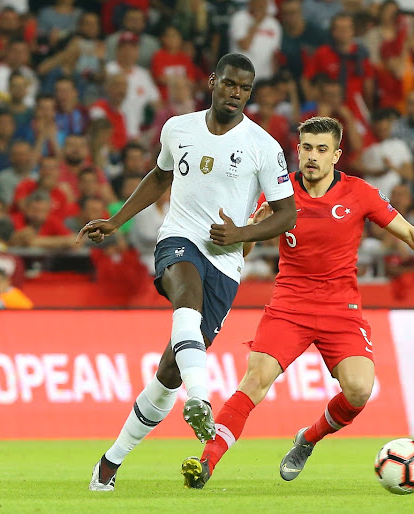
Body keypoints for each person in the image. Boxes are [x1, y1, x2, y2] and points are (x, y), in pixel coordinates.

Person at [180, 116, 414, 489]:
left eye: (321, 150)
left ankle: (309, 438)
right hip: (290, 304)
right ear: (297, 150)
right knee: (255, 379)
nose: (312, 157)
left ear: (336, 154)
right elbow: (248, 241)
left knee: (358, 391)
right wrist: (242, 235)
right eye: (306, 148)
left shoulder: (359, 192)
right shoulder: (279, 194)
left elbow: (411, 232)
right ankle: (205, 462)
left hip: (341, 308)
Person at [81, 53, 297, 491]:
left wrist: (241, 231)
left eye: (245, 88)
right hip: (178, 237)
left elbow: (287, 214)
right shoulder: (177, 128)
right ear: (213, 81)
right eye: (229, 84)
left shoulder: (264, 147)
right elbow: (159, 178)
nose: (236, 93)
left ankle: (111, 460)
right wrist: (116, 220)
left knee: (168, 373)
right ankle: (201, 399)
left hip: (226, 259)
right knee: (185, 295)